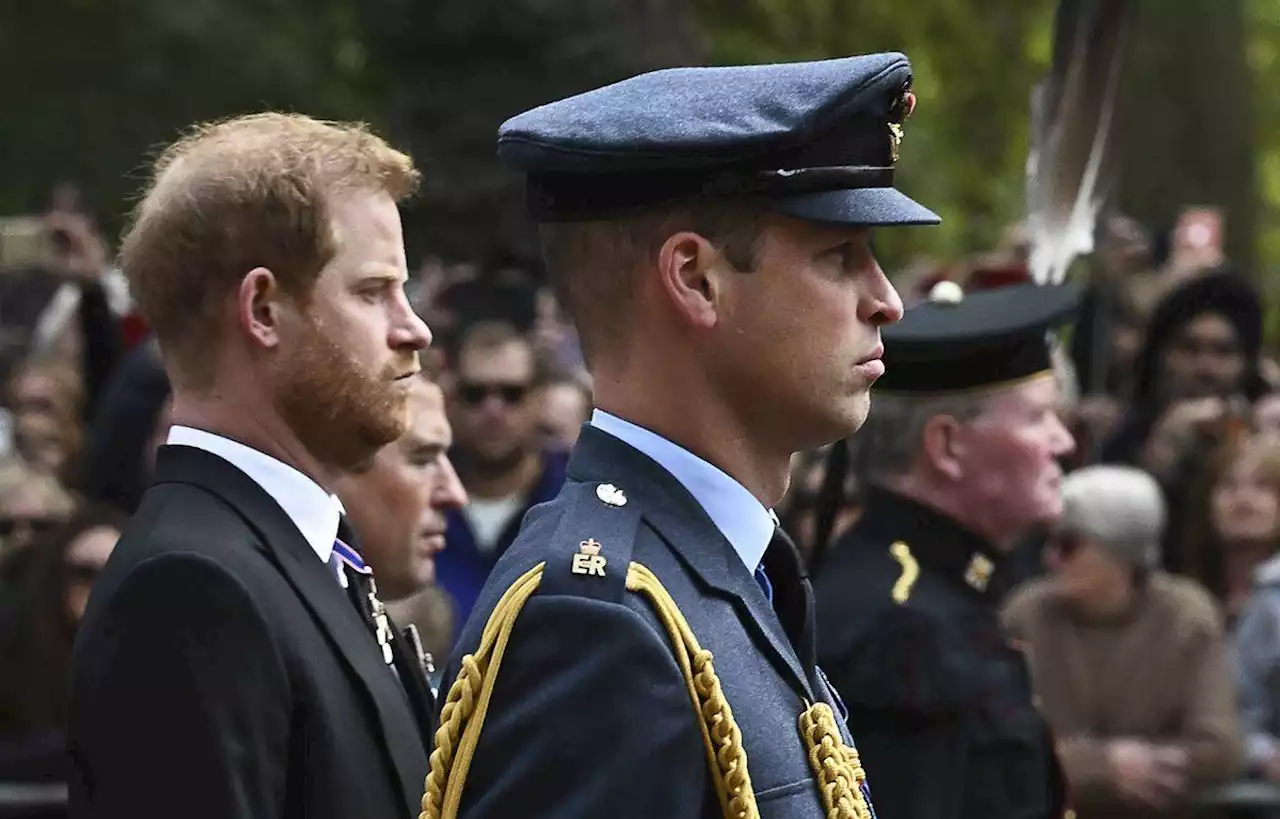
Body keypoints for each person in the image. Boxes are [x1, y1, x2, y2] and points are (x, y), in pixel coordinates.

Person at [424, 53, 938, 819]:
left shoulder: (724, 570)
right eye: (839, 255)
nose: (887, 300)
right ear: (696, 279)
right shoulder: (598, 624)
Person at [66, 113, 436, 819]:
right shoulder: (191, 589)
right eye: (372, 290)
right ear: (263, 308)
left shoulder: (289, 556)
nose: (411, 326)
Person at [812, 280, 1079, 819]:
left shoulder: (936, 595)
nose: (1063, 442)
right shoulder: (903, 632)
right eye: (1037, 418)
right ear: (947, 446)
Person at [1003, 466, 1242, 818]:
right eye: (1049, 542)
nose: (1049, 558)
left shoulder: (1184, 616)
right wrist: (1104, 767)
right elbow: (999, 747)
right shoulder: (1026, 614)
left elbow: (1220, 749)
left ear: (1120, 551)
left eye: (1068, 545)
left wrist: (1070, 764)